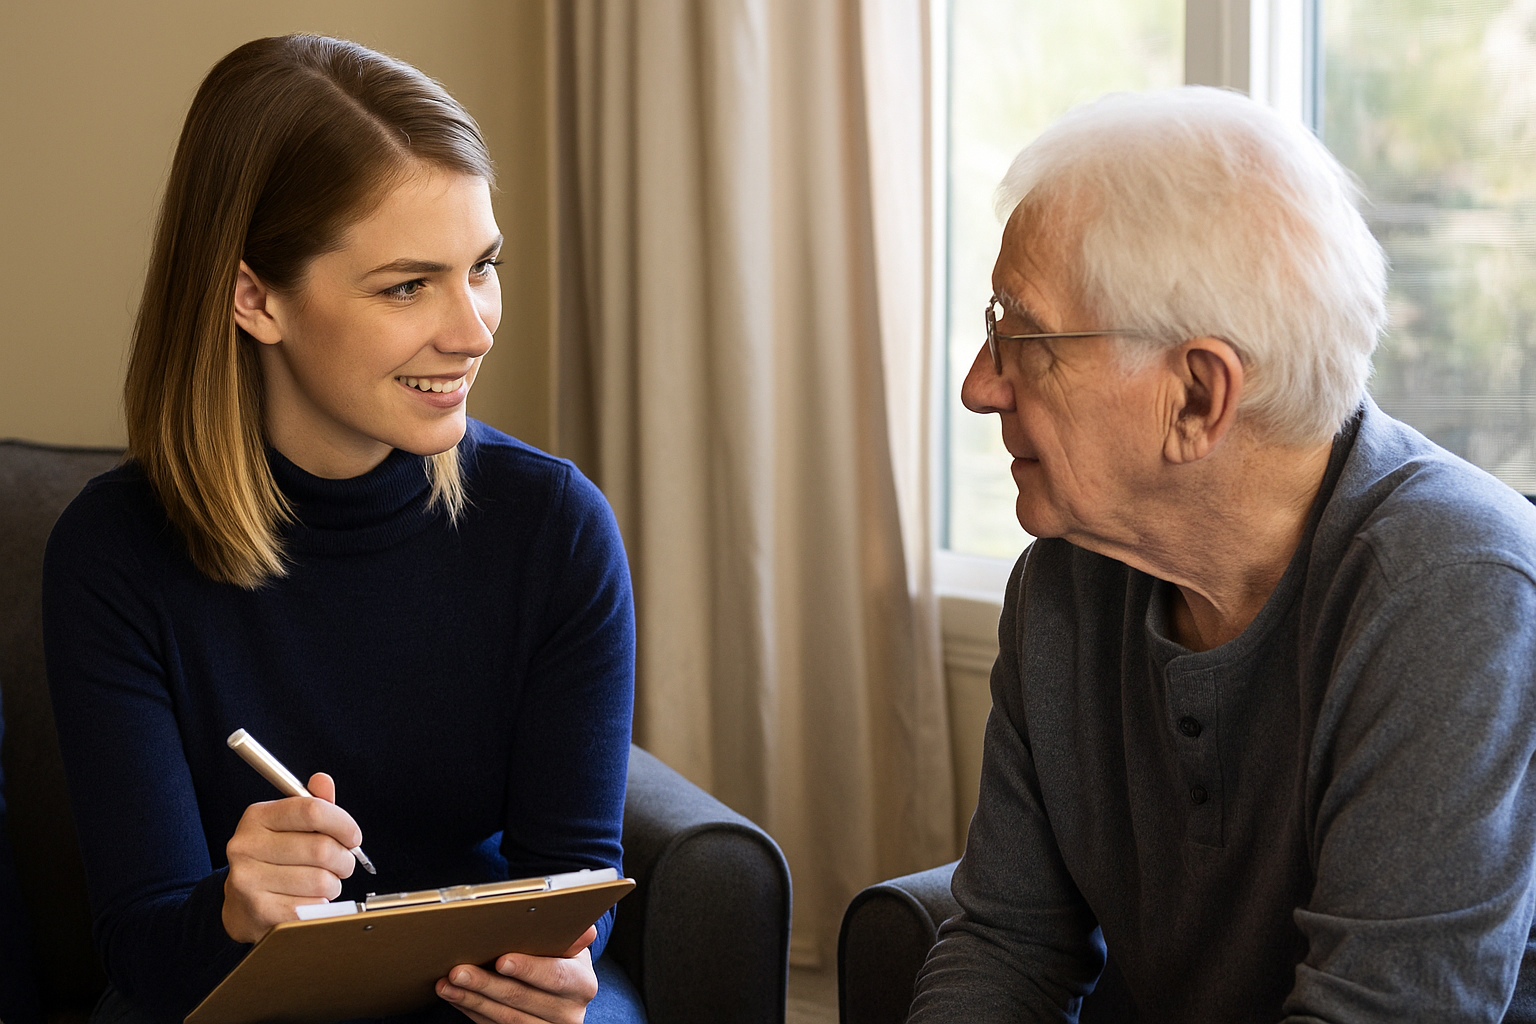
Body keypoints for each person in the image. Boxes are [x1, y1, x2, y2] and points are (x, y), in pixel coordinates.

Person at [42, 35, 642, 1024]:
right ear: (255, 296)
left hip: (475, 999)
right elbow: (147, 950)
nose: (474, 328)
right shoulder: (112, 556)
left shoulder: (555, 529)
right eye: (408, 285)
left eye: (481, 267)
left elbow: (575, 877)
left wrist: (561, 960)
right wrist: (234, 912)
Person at [909, 86, 1536, 1023]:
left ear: (1199, 397)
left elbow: (1376, 1014)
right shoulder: (1064, 585)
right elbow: (1009, 945)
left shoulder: (1454, 590)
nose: (978, 384)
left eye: (1025, 337)